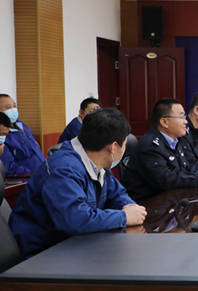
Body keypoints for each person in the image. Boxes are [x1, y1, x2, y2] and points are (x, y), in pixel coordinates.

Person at [9, 108, 147, 259]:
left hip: (74, 246)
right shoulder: (64, 169)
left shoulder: (98, 163)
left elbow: (117, 194)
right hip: (42, 255)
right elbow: (75, 219)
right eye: (124, 144)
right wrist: (124, 217)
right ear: (113, 147)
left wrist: (130, 207)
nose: (124, 149)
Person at [122, 98, 198, 203]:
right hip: (148, 206)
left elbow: (186, 167)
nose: (186, 121)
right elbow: (166, 180)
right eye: (181, 117)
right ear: (164, 122)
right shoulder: (150, 146)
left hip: (170, 201)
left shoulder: (174, 141)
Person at [0, 94, 45, 176]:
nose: (13, 110)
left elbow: (36, 148)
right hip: (26, 178)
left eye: (14, 106)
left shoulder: (21, 125)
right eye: (9, 107)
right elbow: (9, 167)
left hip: (42, 172)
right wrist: (32, 175)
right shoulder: (2, 135)